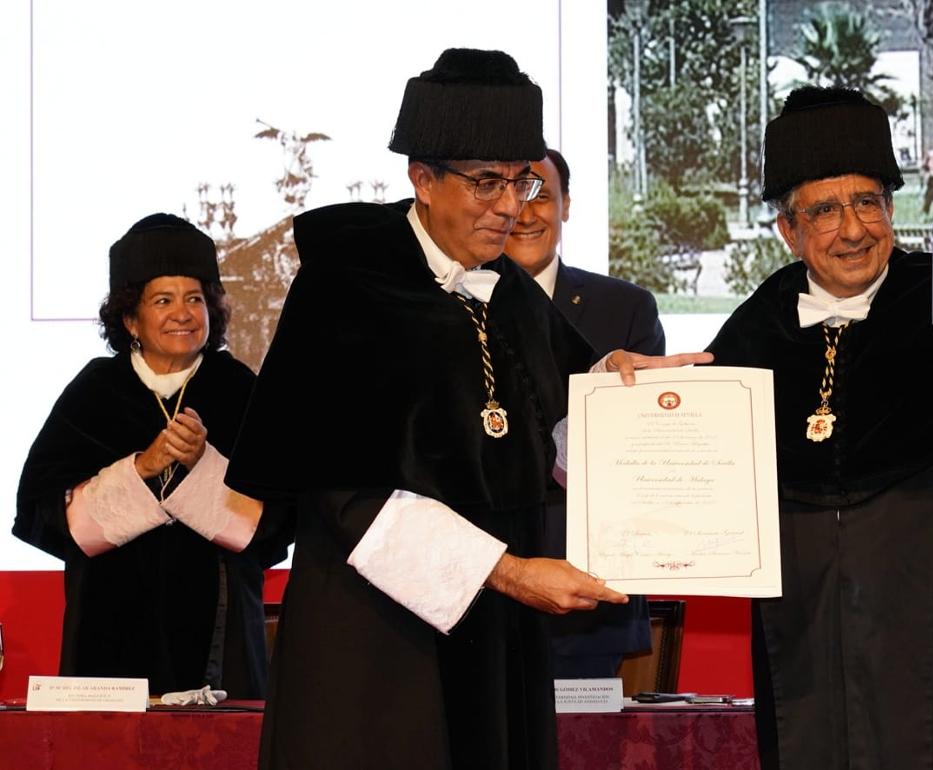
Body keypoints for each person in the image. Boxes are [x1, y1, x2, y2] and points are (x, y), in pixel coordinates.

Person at [224, 49, 707, 770]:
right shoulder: (346, 285)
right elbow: (344, 495)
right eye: (486, 182)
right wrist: (509, 572)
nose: (510, 206)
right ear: (422, 179)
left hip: (495, 633)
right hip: (377, 643)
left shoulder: (509, 291)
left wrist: (617, 387)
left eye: (523, 180)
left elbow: (546, 428)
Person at [705, 87, 933, 770]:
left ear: (891, 209)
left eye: (868, 203)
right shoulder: (757, 325)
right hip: (806, 630)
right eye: (824, 210)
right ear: (788, 231)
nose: (852, 230)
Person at [14, 213, 291, 698]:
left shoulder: (240, 389)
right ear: (129, 319)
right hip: (109, 624)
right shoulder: (95, 391)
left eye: (194, 299)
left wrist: (203, 468)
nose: (182, 314)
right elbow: (41, 511)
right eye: (163, 300)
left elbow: (279, 519)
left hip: (219, 627)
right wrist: (142, 468)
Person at [505, 148, 662, 679]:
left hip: (588, 586)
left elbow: (642, 453)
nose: (525, 213)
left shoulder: (626, 307)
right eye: (511, 193)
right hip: (476, 587)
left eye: (541, 195)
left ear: (567, 204)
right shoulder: (451, 304)